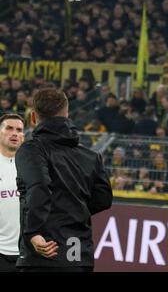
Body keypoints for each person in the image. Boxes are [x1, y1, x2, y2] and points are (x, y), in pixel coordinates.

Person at [15, 87, 113, 272]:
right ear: (67, 115)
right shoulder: (91, 156)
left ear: (34, 117)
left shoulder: (32, 150)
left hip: (44, 254)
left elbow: (40, 187)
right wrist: (73, 209)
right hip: (80, 256)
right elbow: (104, 199)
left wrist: (33, 232)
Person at [0, 114, 25, 272]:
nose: (14, 133)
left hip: (27, 253)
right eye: (9, 128)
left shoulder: (34, 166)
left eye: (19, 130)